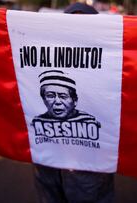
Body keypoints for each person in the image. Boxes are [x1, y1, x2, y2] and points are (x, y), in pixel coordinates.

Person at [33, 70, 113, 203]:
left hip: (89, 168)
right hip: (45, 165)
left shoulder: (92, 122)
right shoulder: (36, 121)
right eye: (50, 95)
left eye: (63, 96)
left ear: (75, 100)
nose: (57, 102)